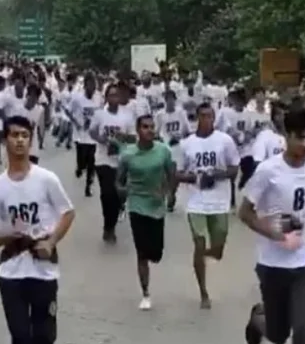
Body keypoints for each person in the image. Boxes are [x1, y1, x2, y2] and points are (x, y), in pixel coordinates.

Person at [0, 115, 75, 344]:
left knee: (44, 341)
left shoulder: (46, 179)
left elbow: (68, 212)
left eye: (25, 135)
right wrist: (12, 234)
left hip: (44, 270)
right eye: (14, 135)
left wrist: (51, 241)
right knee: (20, 335)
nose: (20, 140)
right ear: (5, 141)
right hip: (11, 272)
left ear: (31, 141)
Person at [239, 108, 305, 344]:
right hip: (273, 265)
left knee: (302, 331)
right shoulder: (268, 171)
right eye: (299, 137)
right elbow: (245, 213)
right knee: (278, 335)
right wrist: (277, 234)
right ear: (286, 136)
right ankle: (259, 319)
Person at [176, 102, 240, 308]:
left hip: (219, 202)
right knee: (200, 243)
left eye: (210, 116)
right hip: (196, 202)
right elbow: (177, 173)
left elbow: (234, 168)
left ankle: (204, 255)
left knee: (218, 248)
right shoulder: (187, 144)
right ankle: (203, 292)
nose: (206, 120)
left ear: (214, 118)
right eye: (202, 116)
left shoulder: (225, 141)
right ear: (197, 118)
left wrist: (216, 175)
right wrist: (195, 178)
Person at [116, 114, 173, 310]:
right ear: (138, 130)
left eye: (151, 127)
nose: (150, 130)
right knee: (141, 252)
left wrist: (168, 193)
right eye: (145, 127)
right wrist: (122, 191)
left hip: (156, 206)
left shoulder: (163, 151)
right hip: (137, 205)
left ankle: (152, 255)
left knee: (155, 254)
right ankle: (145, 293)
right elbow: (119, 181)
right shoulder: (128, 154)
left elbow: (171, 175)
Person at [89, 83, 136, 242]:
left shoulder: (127, 115)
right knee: (107, 194)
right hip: (103, 159)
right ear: (106, 97)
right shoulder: (99, 115)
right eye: (111, 95)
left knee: (117, 195)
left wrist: (123, 137)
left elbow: (133, 137)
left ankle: (112, 223)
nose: (114, 98)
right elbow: (92, 131)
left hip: (120, 160)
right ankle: (108, 227)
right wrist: (102, 139)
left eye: (116, 95)